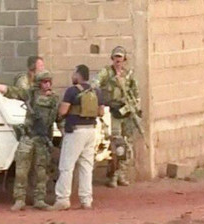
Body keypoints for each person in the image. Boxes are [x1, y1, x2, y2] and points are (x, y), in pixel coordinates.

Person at [48, 65, 104, 211]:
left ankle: (63, 199)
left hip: (75, 132)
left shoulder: (72, 91)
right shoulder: (96, 91)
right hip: (91, 131)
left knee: (66, 166)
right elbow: (101, 112)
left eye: (74, 73)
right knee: (86, 166)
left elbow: (63, 111)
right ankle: (86, 200)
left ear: (78, 75)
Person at [11, 70, 60, 211]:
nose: (48, 85)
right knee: (21, 170)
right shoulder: (30, 95)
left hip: (43, 140)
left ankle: (40, 199)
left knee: (42, 172)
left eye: (49, 82)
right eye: (45, 82)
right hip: (28, 137)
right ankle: (19, 200)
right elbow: (11, 91)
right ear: (39, 84)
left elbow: (59, 119)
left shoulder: (54, 100)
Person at [97, 46, 141, 187]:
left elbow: (136, 94)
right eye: (116, 57)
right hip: (112, 113)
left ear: (124, 59)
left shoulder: (128, 75)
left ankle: (120, 174)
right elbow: (96, 84)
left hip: (126, 114)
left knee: (127, 145)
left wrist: (135, 109)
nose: (118, 60)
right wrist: (101, 103)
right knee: (116, 144)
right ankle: (113, 176)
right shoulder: (107, 73)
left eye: (120, 57)